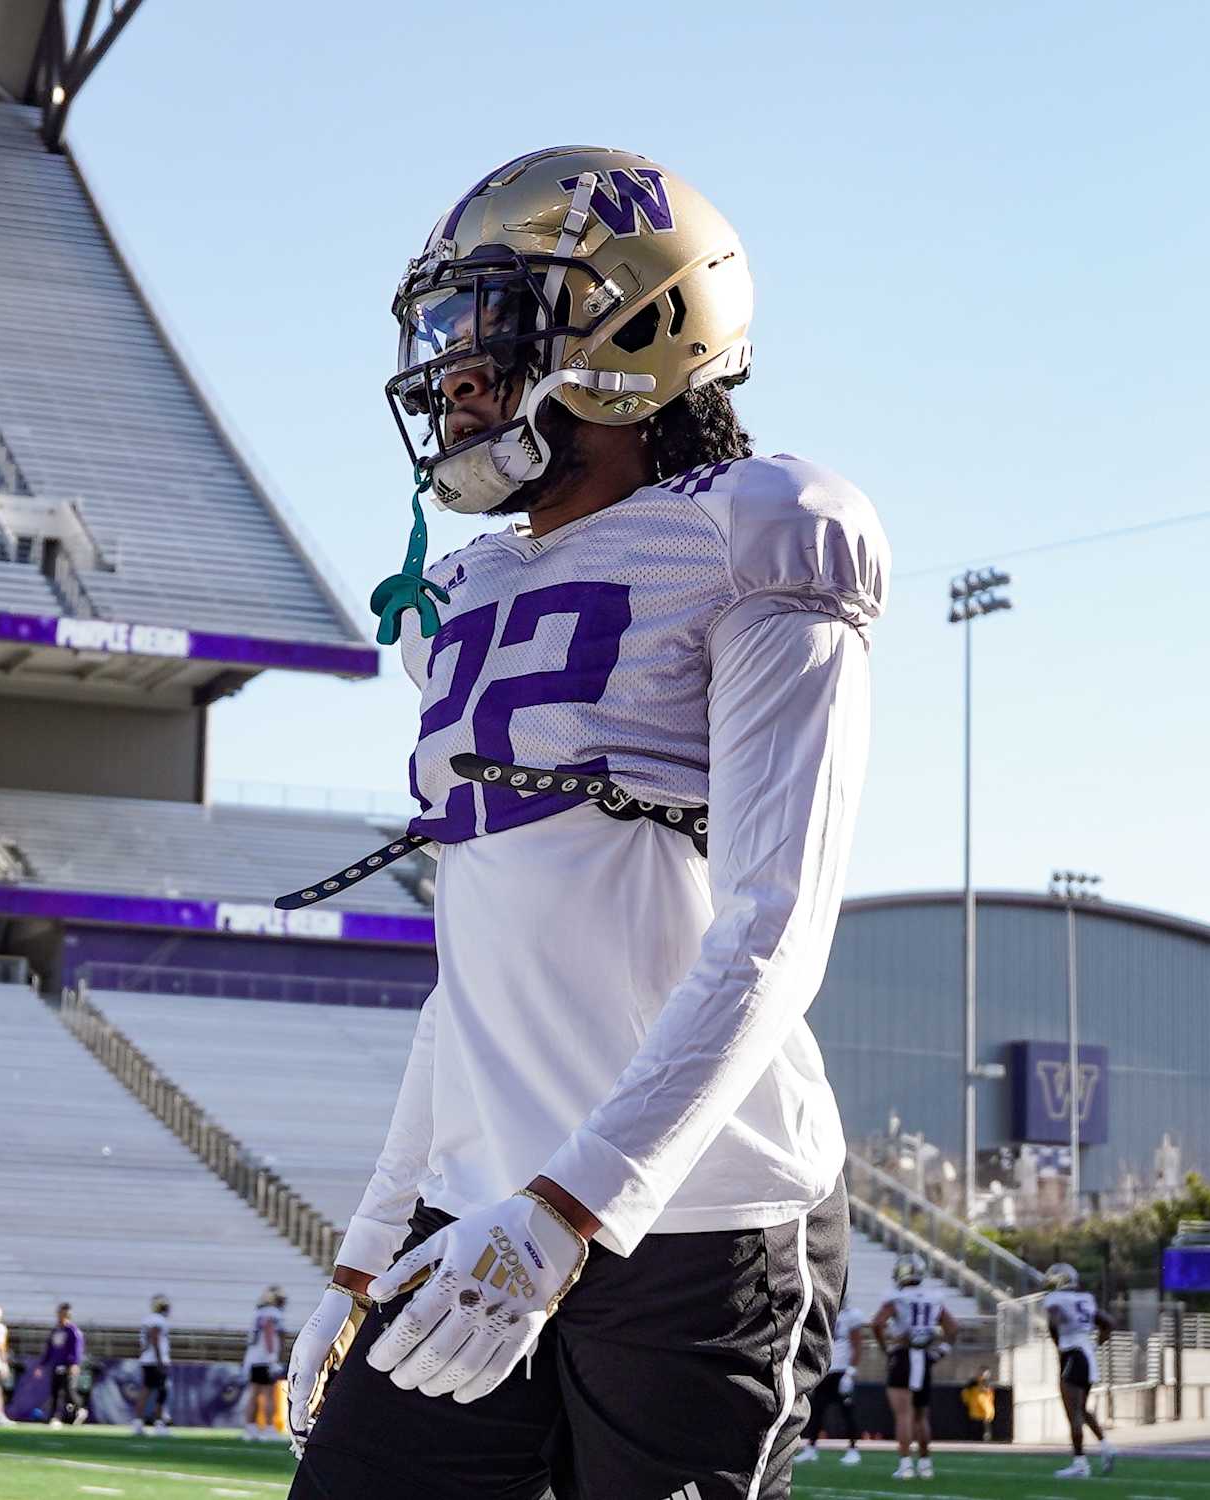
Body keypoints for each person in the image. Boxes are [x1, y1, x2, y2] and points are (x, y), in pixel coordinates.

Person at [282, 145, 887, 1500]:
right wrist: (369, 1249)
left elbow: (777, 923)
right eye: (444, 334)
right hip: (481, 1207)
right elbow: (475, 975)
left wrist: (569, 1211)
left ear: (635, 327)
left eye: (489, 324)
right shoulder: (469, 591)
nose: (455, 374)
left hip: (701, 1217)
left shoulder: (754, 530)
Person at [874, 1253, 957, 1481]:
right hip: (924, 1355)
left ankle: (906, 1465)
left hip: (903, 1355)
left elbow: (877, 1323)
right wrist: (941, 1351)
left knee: (903, 1415)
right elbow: (952, 1327)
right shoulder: (933, 1297)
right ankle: (926, 1465)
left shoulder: (897, 1296)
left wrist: (885, 1347)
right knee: (921, 1416)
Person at [1043, 1263, 1116, 1478]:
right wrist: (1095, 1345)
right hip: (1087, 1355)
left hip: (1073, 1354)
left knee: (1073, 1412)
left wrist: (1059, 1343)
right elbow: (1108, 1323)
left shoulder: (1055, 1300)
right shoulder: (1085, 1299)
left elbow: (1054, 1324)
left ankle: (1080, 1463)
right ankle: (1106, 1447)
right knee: (1081, 1409)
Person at [795, 1291, 868, 1466]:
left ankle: (853, 1450)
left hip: (842, 1371)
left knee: (847, 1412)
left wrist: (851, 1372)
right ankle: (811, 1448)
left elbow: (857, 1345)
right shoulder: (826, 1314)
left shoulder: (851, 1316)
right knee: (817, 1411)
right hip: (826, 1370)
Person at [243, 1287, 286, 1442]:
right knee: (268, 1395)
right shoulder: (272, 1313)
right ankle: (269, 1428)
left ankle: (250, 1428)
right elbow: (269, 1332)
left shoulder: (258, 1313)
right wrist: (272, 1357)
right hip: (265, 1359)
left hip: (253, 1358)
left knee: (253, 1394)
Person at [35, 1303, 86, 1427]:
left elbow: (77, 1349)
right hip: (56, 1365)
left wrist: (74, 1364)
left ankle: (80, 1409)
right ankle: (54, 1417)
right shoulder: (56, 1331)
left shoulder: (73, 1331)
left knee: (69, 1391)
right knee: (55, 1391)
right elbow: (50, 1349)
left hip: (68, 1365)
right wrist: (41, 1365)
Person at [134, 1294, 171, 1437]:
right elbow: (154, 1338)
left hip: (147, 1360)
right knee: (162, 1392)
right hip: (154, 1361)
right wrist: (159, 1359)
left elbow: (146, 1341)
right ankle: (159, 1424)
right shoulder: (158, 1320)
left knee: (146, 1391)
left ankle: (138, 1424)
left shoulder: (148, 1319)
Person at [962, 1366, 996, 1441]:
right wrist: (966, 1400)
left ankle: (986, 1436)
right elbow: (965, 1392)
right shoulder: (973, 1383)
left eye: (987, 1374)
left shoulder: (988, 1384)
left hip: (985, 1410)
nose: (985, 1376)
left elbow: (990, 1396)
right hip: (976, 1409)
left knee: (986, 1424)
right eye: (984, 1373)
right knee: (975, 1426)